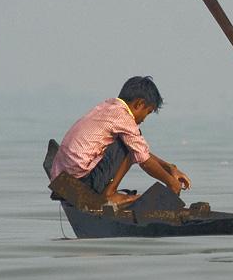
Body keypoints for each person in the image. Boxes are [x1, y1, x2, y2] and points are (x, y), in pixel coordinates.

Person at [49, 76, 190, 206]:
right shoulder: (124, 118)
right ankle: (110, 194)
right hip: (82, 180)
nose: (144, 119)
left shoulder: (108, 106)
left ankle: (110, 192)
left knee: (131, 144)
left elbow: (142, 152)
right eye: (147, 112)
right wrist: (171, 183)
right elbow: (144, 160)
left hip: (62, 174)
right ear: (139, 104)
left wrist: (169, 168)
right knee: (130, 145)